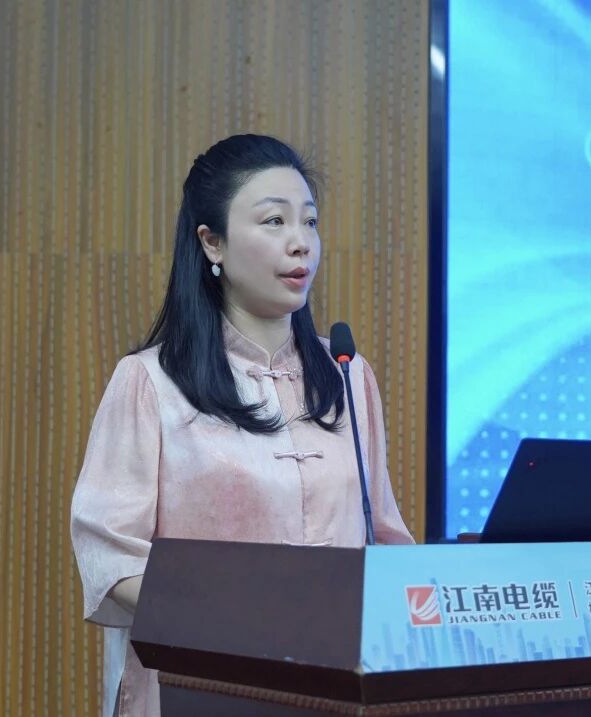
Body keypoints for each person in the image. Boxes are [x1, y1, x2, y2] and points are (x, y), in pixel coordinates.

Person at [70, 134, 414, 717]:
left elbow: (384, 540)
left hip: (336, 689)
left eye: (309, 221)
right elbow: (112, 557)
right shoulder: (151, 381)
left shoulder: (347, 375)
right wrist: (242, 621)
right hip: (204, 687)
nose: (301, 242)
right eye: (274, 221)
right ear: (213, 242)